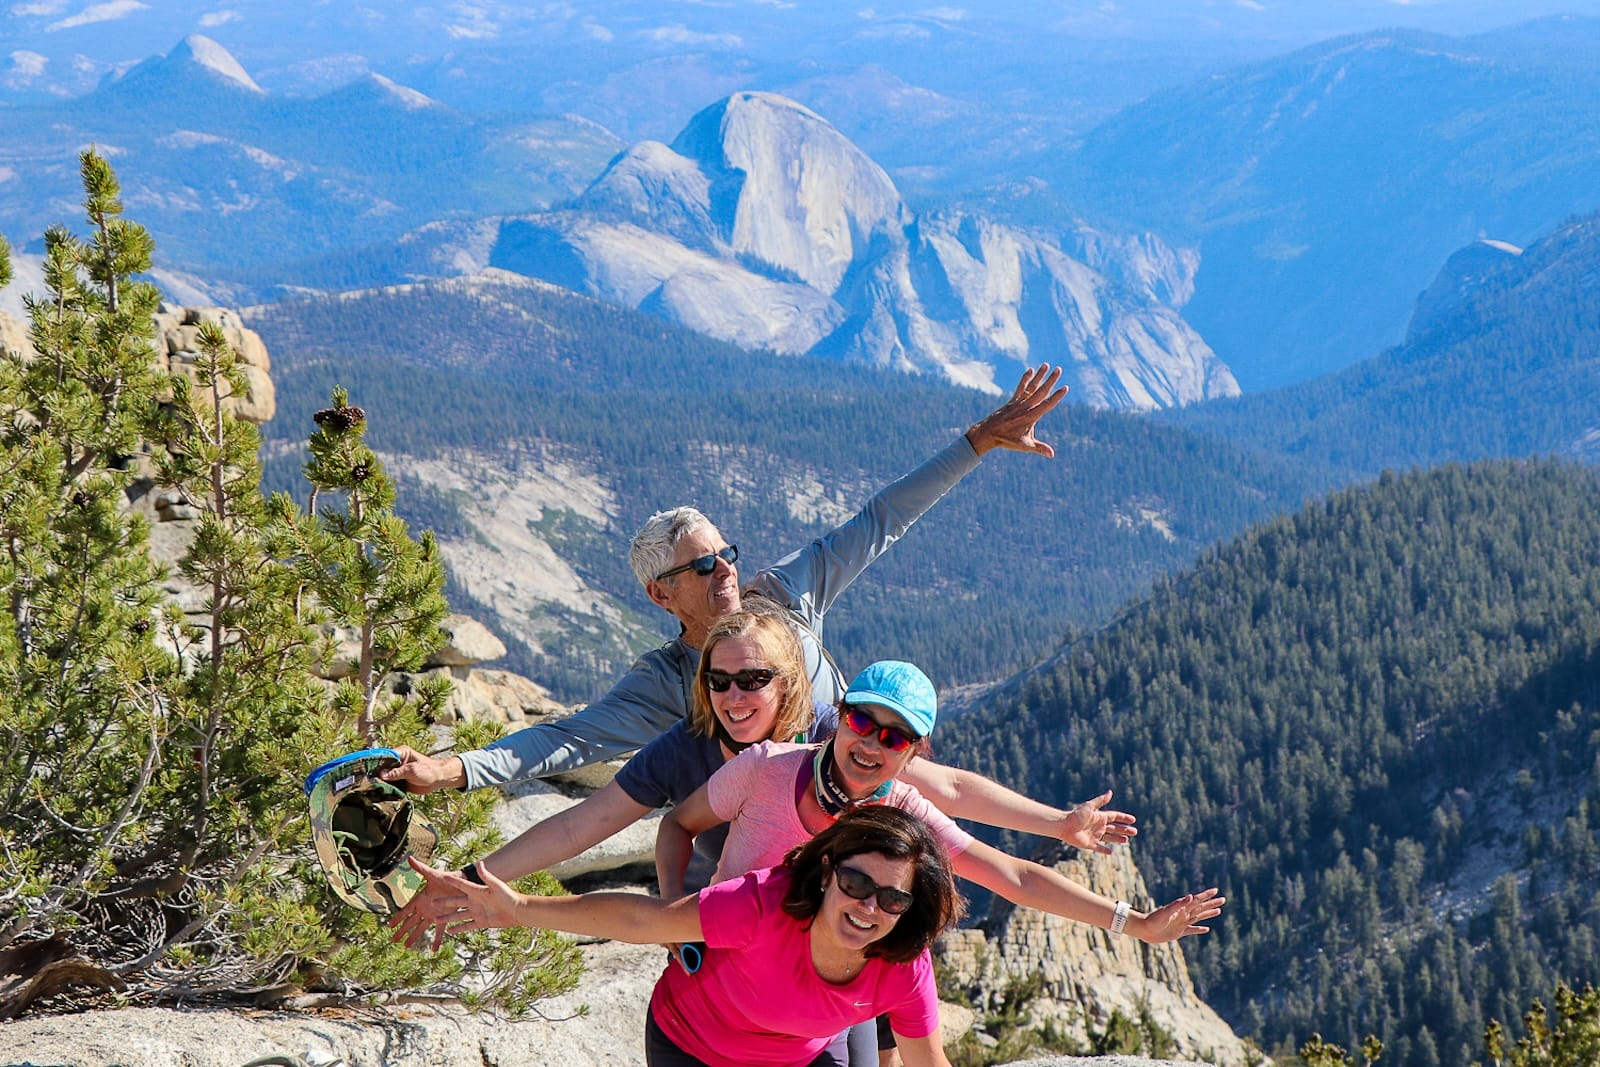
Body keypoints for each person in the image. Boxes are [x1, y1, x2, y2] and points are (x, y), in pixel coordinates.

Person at [380, 364, 1068, 795]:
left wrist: (976, 441)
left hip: (877, 801)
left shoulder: (786, 595)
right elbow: (564, 739)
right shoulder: (663, 683)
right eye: (702, 564)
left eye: (725, 552)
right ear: (661, 593)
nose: (726, 570)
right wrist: (448, 767)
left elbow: (882, 518)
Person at [389, 602, 1135, 955]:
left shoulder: (838, 744)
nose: (734, 697)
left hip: (840, 939)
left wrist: (1059, 824)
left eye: (754, 678)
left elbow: (954, 793)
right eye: (719, 679)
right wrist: (470, 877)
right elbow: (580, 826)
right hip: (739, 938)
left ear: (789, 685)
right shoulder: (685, 750)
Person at [657, 660, 1224, 1063]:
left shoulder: (904, 817)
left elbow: (1015, 876)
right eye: (862, 723)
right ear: (840, 715)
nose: (873, 744)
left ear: (913, 754)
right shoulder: (767, 769)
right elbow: (678, 824)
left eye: (895, 737)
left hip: (820, 999)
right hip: (721, 985)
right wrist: (675, 920)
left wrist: (1136, 924)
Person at [407, 806, 967, 1067]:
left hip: (795, 1059)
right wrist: (519, 908)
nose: (868, 906)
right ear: (826, 874)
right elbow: (643, 920)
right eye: (855, 881)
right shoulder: (759, 905)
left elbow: (926, 1063)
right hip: (693, 1048)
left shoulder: (903, 965)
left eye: (891, 898)